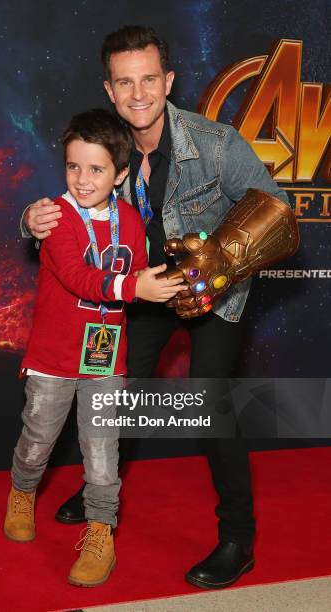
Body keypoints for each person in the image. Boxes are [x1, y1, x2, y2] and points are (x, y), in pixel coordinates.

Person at [21, 26, 290, 589]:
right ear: (110, 88)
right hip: (140, 289)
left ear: (167, 81)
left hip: (212, 289)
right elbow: (74, 199)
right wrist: (31, 219)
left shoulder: (214, 143)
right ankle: (101, 491)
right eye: (125, 82)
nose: (137, 94)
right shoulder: (108, 142)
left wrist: (212, 269)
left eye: (148, 79)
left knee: (209, 398)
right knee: (111, 387)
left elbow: (280, 209)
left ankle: (237, 538)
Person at [5, 108, 185, 587]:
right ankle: (22, 491)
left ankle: (101, 532)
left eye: (97, 169)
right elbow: (79, 277)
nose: (82, 180)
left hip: (106, 358)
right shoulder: (55, 218)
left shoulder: (130, 220)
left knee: (103, 454)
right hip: (52, 359)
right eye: (73, 166)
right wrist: (134, 288)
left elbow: (140, 274)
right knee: (37, 443)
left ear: (120, 173)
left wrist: (172, 286)